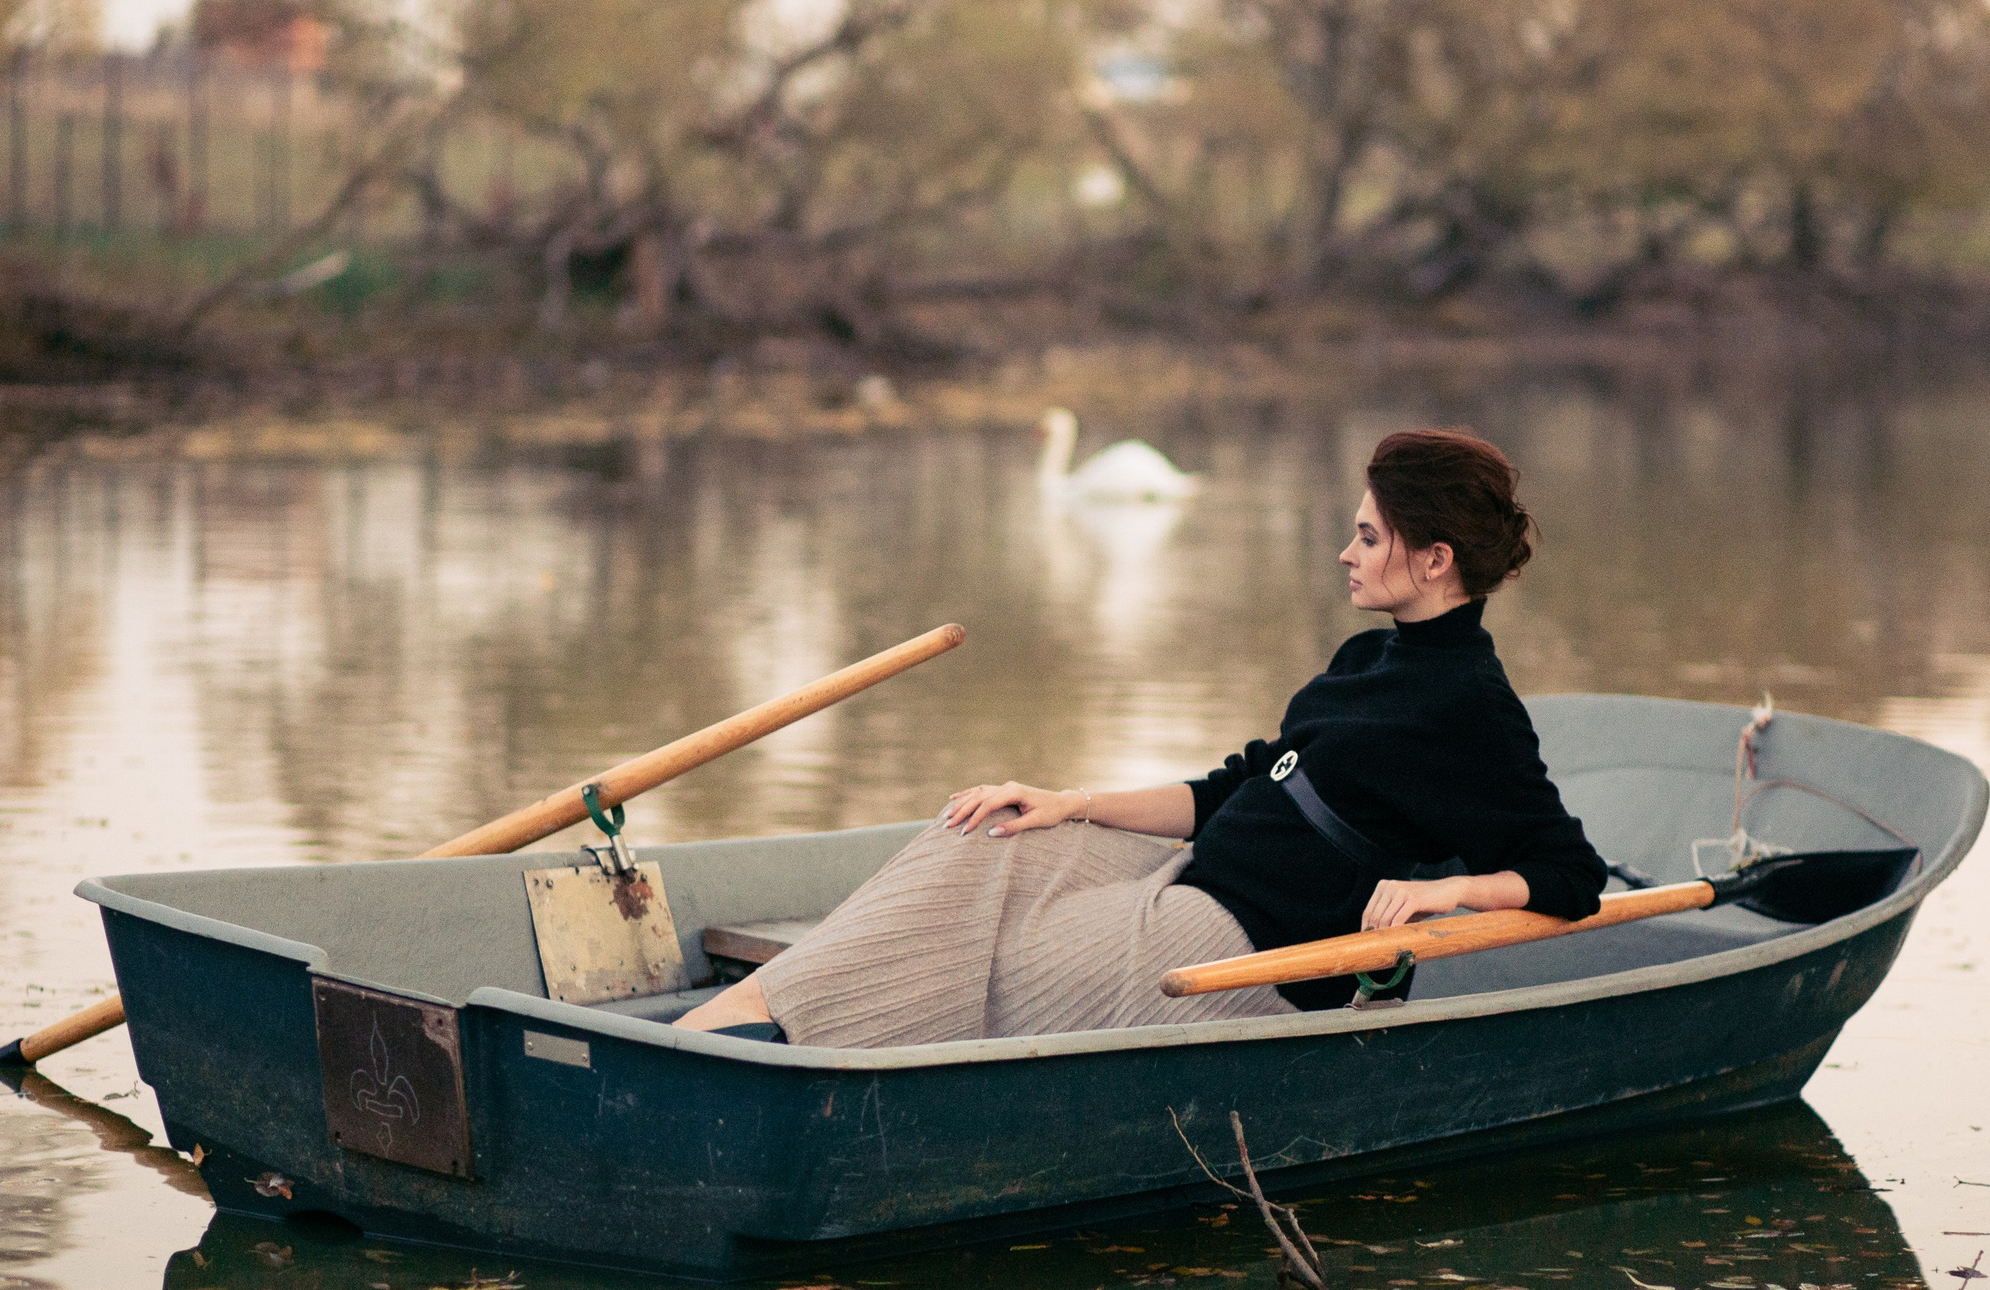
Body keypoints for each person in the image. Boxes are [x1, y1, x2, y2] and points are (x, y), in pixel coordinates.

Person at [677, 427, 1606, 1046]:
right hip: (1179, 875)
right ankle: (712, 1035)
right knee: (985, 842)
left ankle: (763, 1049)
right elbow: (1234, 785)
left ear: (1434, 558)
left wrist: (1444, 890)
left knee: (1008, 964)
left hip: (1242, 944)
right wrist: (1069, 801)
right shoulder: (1367, 658)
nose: (1346, 553)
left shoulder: (1472, 704)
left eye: (1368, 538)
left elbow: (1569, 871)